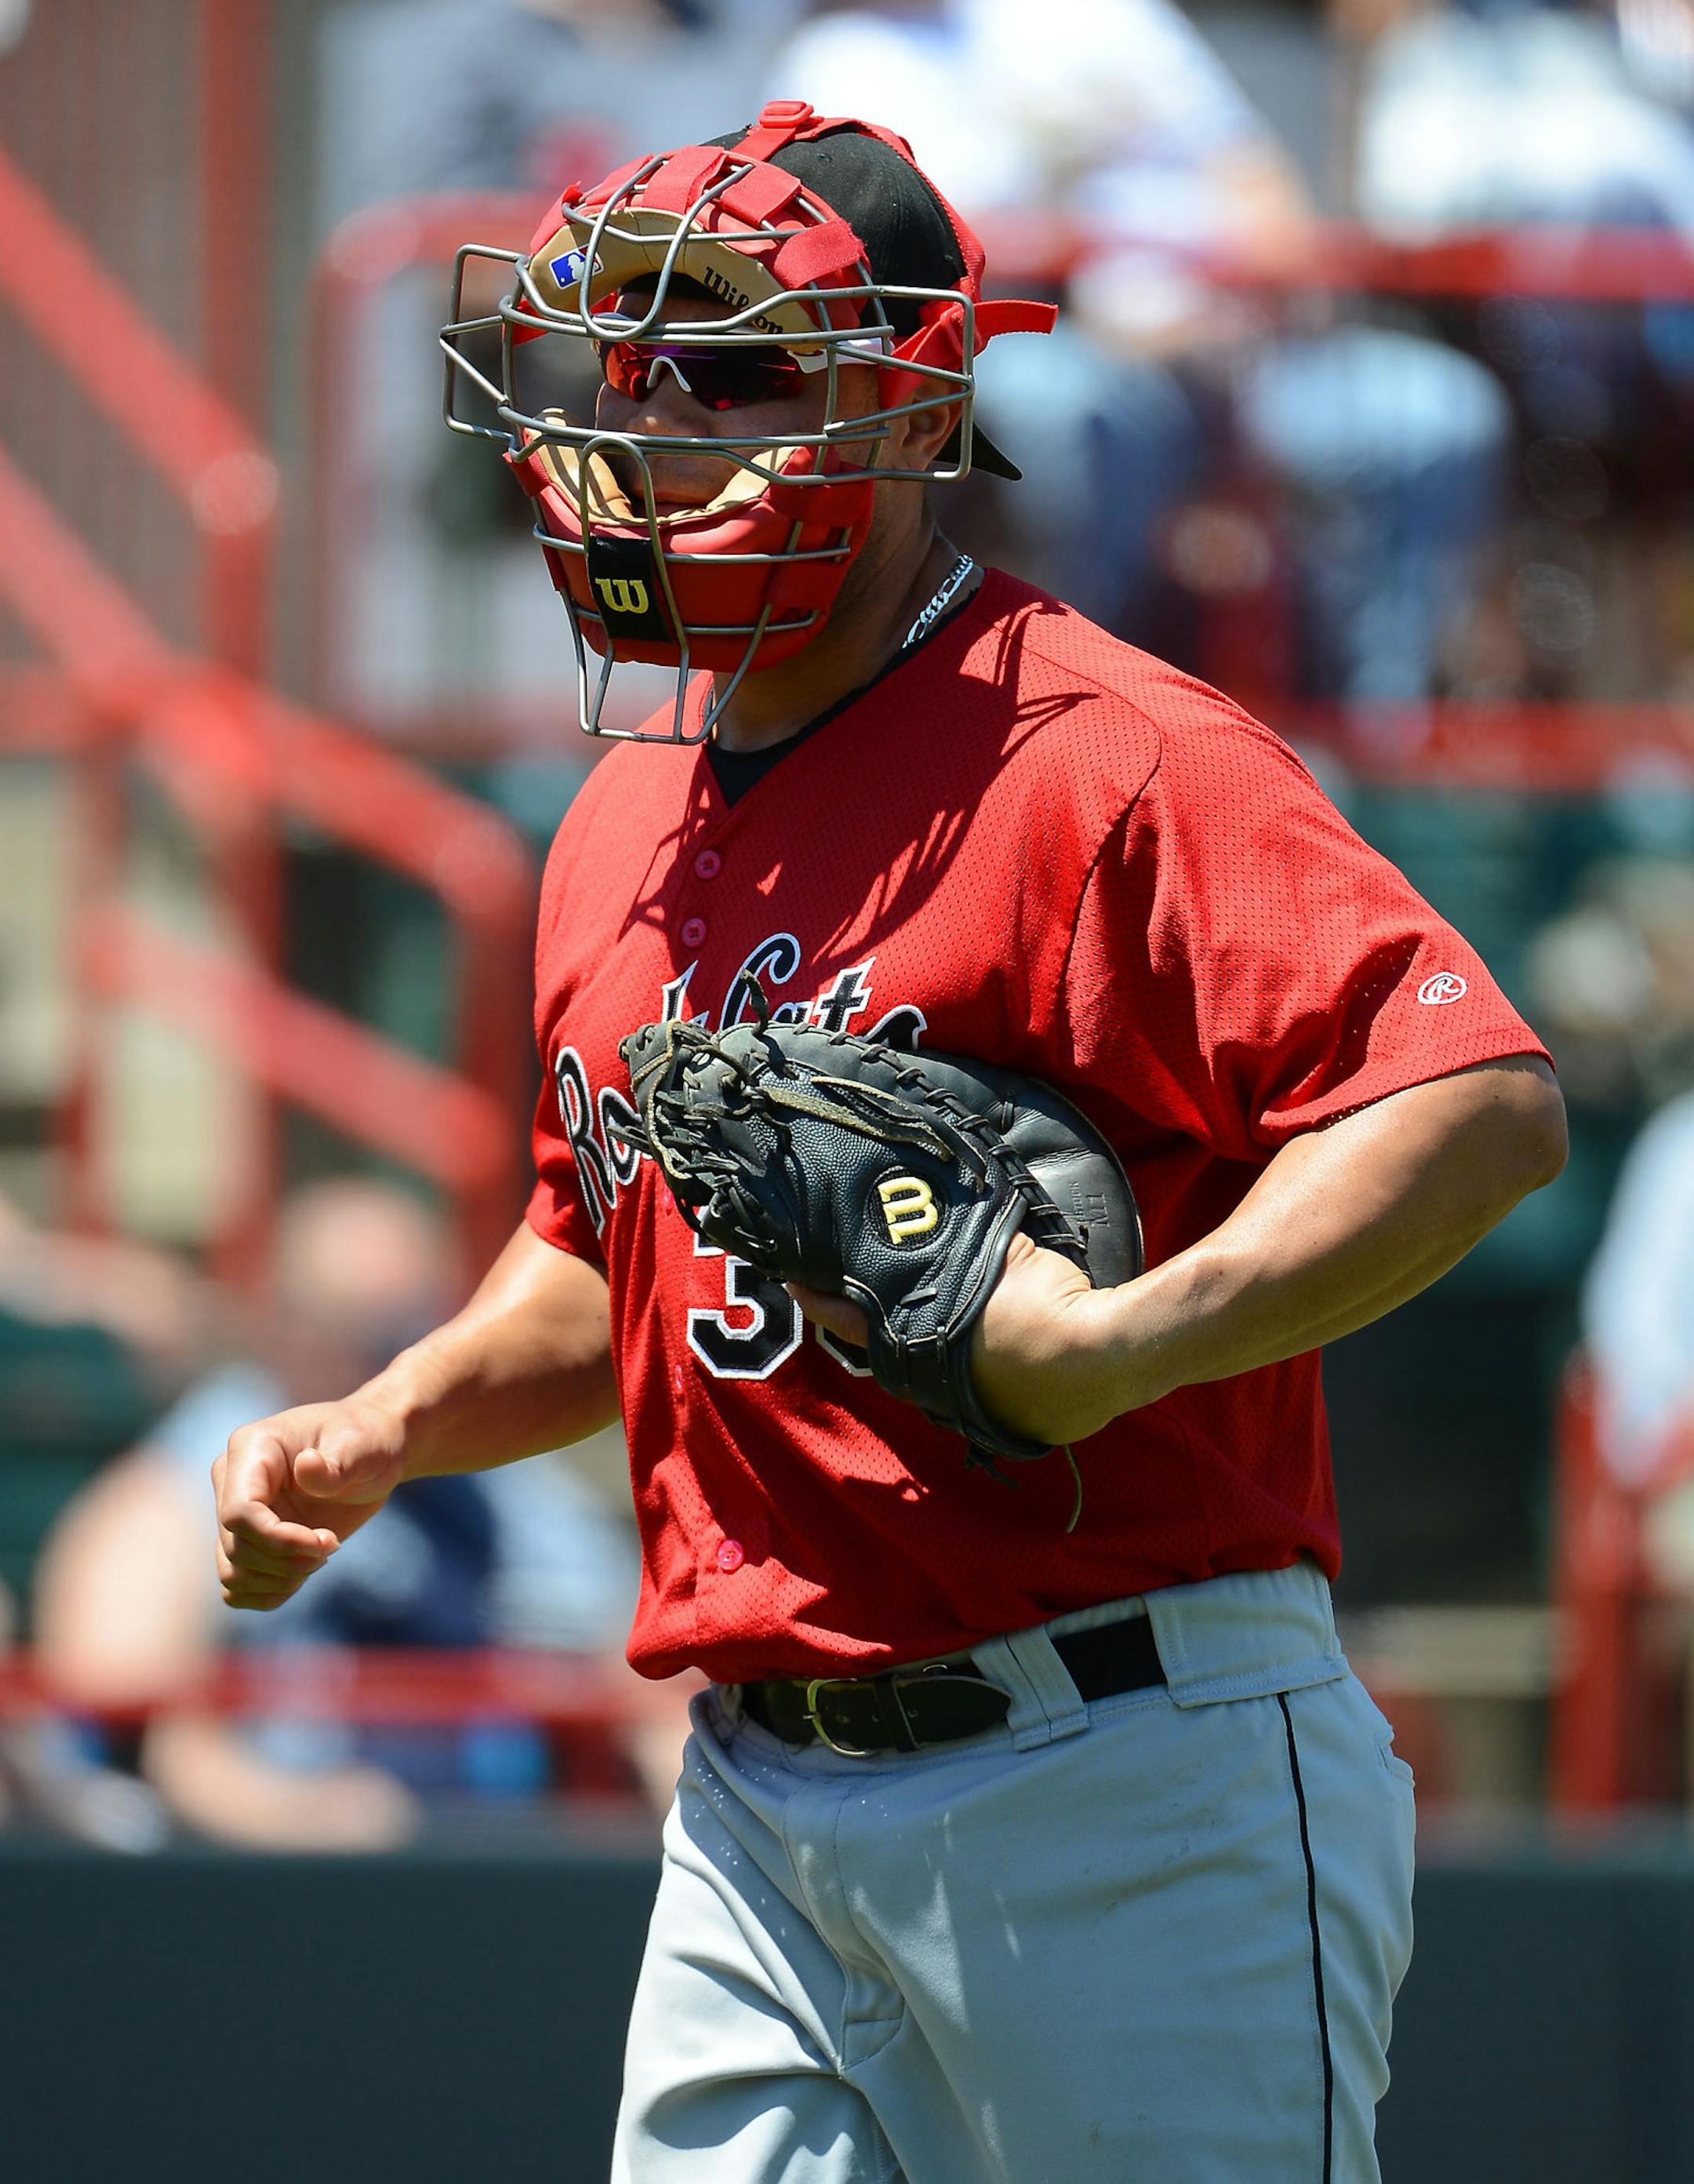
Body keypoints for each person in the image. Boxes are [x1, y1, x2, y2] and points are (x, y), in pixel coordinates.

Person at [218, 105, 1567, 2179]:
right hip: (758, 1802)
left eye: (734, 361)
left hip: (1120, 1765)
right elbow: (602, 1250)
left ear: (914, 411)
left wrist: (1140, 1339)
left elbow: (1474, 1111)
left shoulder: (1103, 753)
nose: (654, 418)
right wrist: (387, 1422)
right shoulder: (616, 829)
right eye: (620, 364)